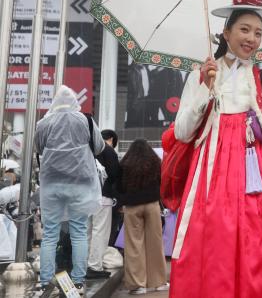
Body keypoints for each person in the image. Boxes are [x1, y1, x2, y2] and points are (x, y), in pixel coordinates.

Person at [170, 0, 262, 298]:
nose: (252, 38)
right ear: (226, 32)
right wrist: (206, 89)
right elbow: (182, 132)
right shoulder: (200, 75)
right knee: (216, 251)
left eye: (258, 32)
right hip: (212, 178)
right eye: (244, 29)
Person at [35, 85, 105, 295]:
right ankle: (78, 282)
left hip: (52, 184)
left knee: (49, 234)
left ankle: (46, 281)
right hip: (80, 184)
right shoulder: (86, 120)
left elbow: (39, 148)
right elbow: (99, 147)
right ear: (75, 102)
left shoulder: (44, 123)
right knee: (79, 232)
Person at [117, 139, 168, 294]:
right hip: (152, 205)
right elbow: (162, 182)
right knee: (155, 243)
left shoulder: (125, 164)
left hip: (133, 206)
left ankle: (138, 285)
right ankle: (159, 282)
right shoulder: (155, 162)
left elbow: (120, 186)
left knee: (134, 245)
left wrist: (122, 200)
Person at [86, 129, 120, 279]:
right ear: (111, 139)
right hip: (103, 197)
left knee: (85, 231)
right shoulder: (108, 151)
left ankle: (82, 264)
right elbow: (115, 175)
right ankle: (94, 266)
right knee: (100, 231)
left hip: (85, 196)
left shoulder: (88, 149)